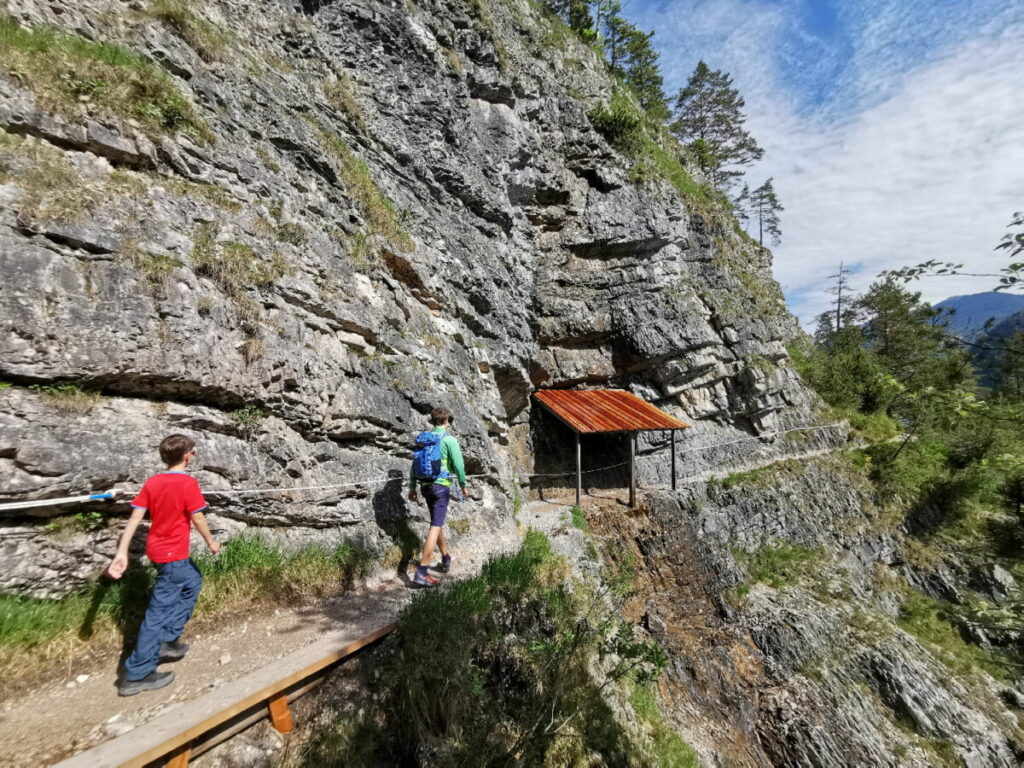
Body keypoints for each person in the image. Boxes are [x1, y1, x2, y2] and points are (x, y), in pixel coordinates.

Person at [105, 434, 220, 696]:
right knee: (157, 612)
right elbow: (198, 517)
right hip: (172, 555)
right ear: (188, 455)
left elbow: (134, 518)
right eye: (194, 451)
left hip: (158, 552)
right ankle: (137, 673)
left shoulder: (153, 482)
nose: (194, 455)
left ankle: (167, 640)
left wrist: (122, 551)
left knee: (193, 581)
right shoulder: (188, 483)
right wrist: (211, 542)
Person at [407, 408, 467, 587]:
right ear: (447, 420)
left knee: (436, 521)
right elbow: (459, 465)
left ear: (433, 421)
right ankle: (422, 571)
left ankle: (446, 557)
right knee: (435, 526)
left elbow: (413, 465)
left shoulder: (424, 440)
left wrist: (412, 487)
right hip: (441, 487)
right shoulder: (448, 439)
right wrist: (463, 485)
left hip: (425, 486)